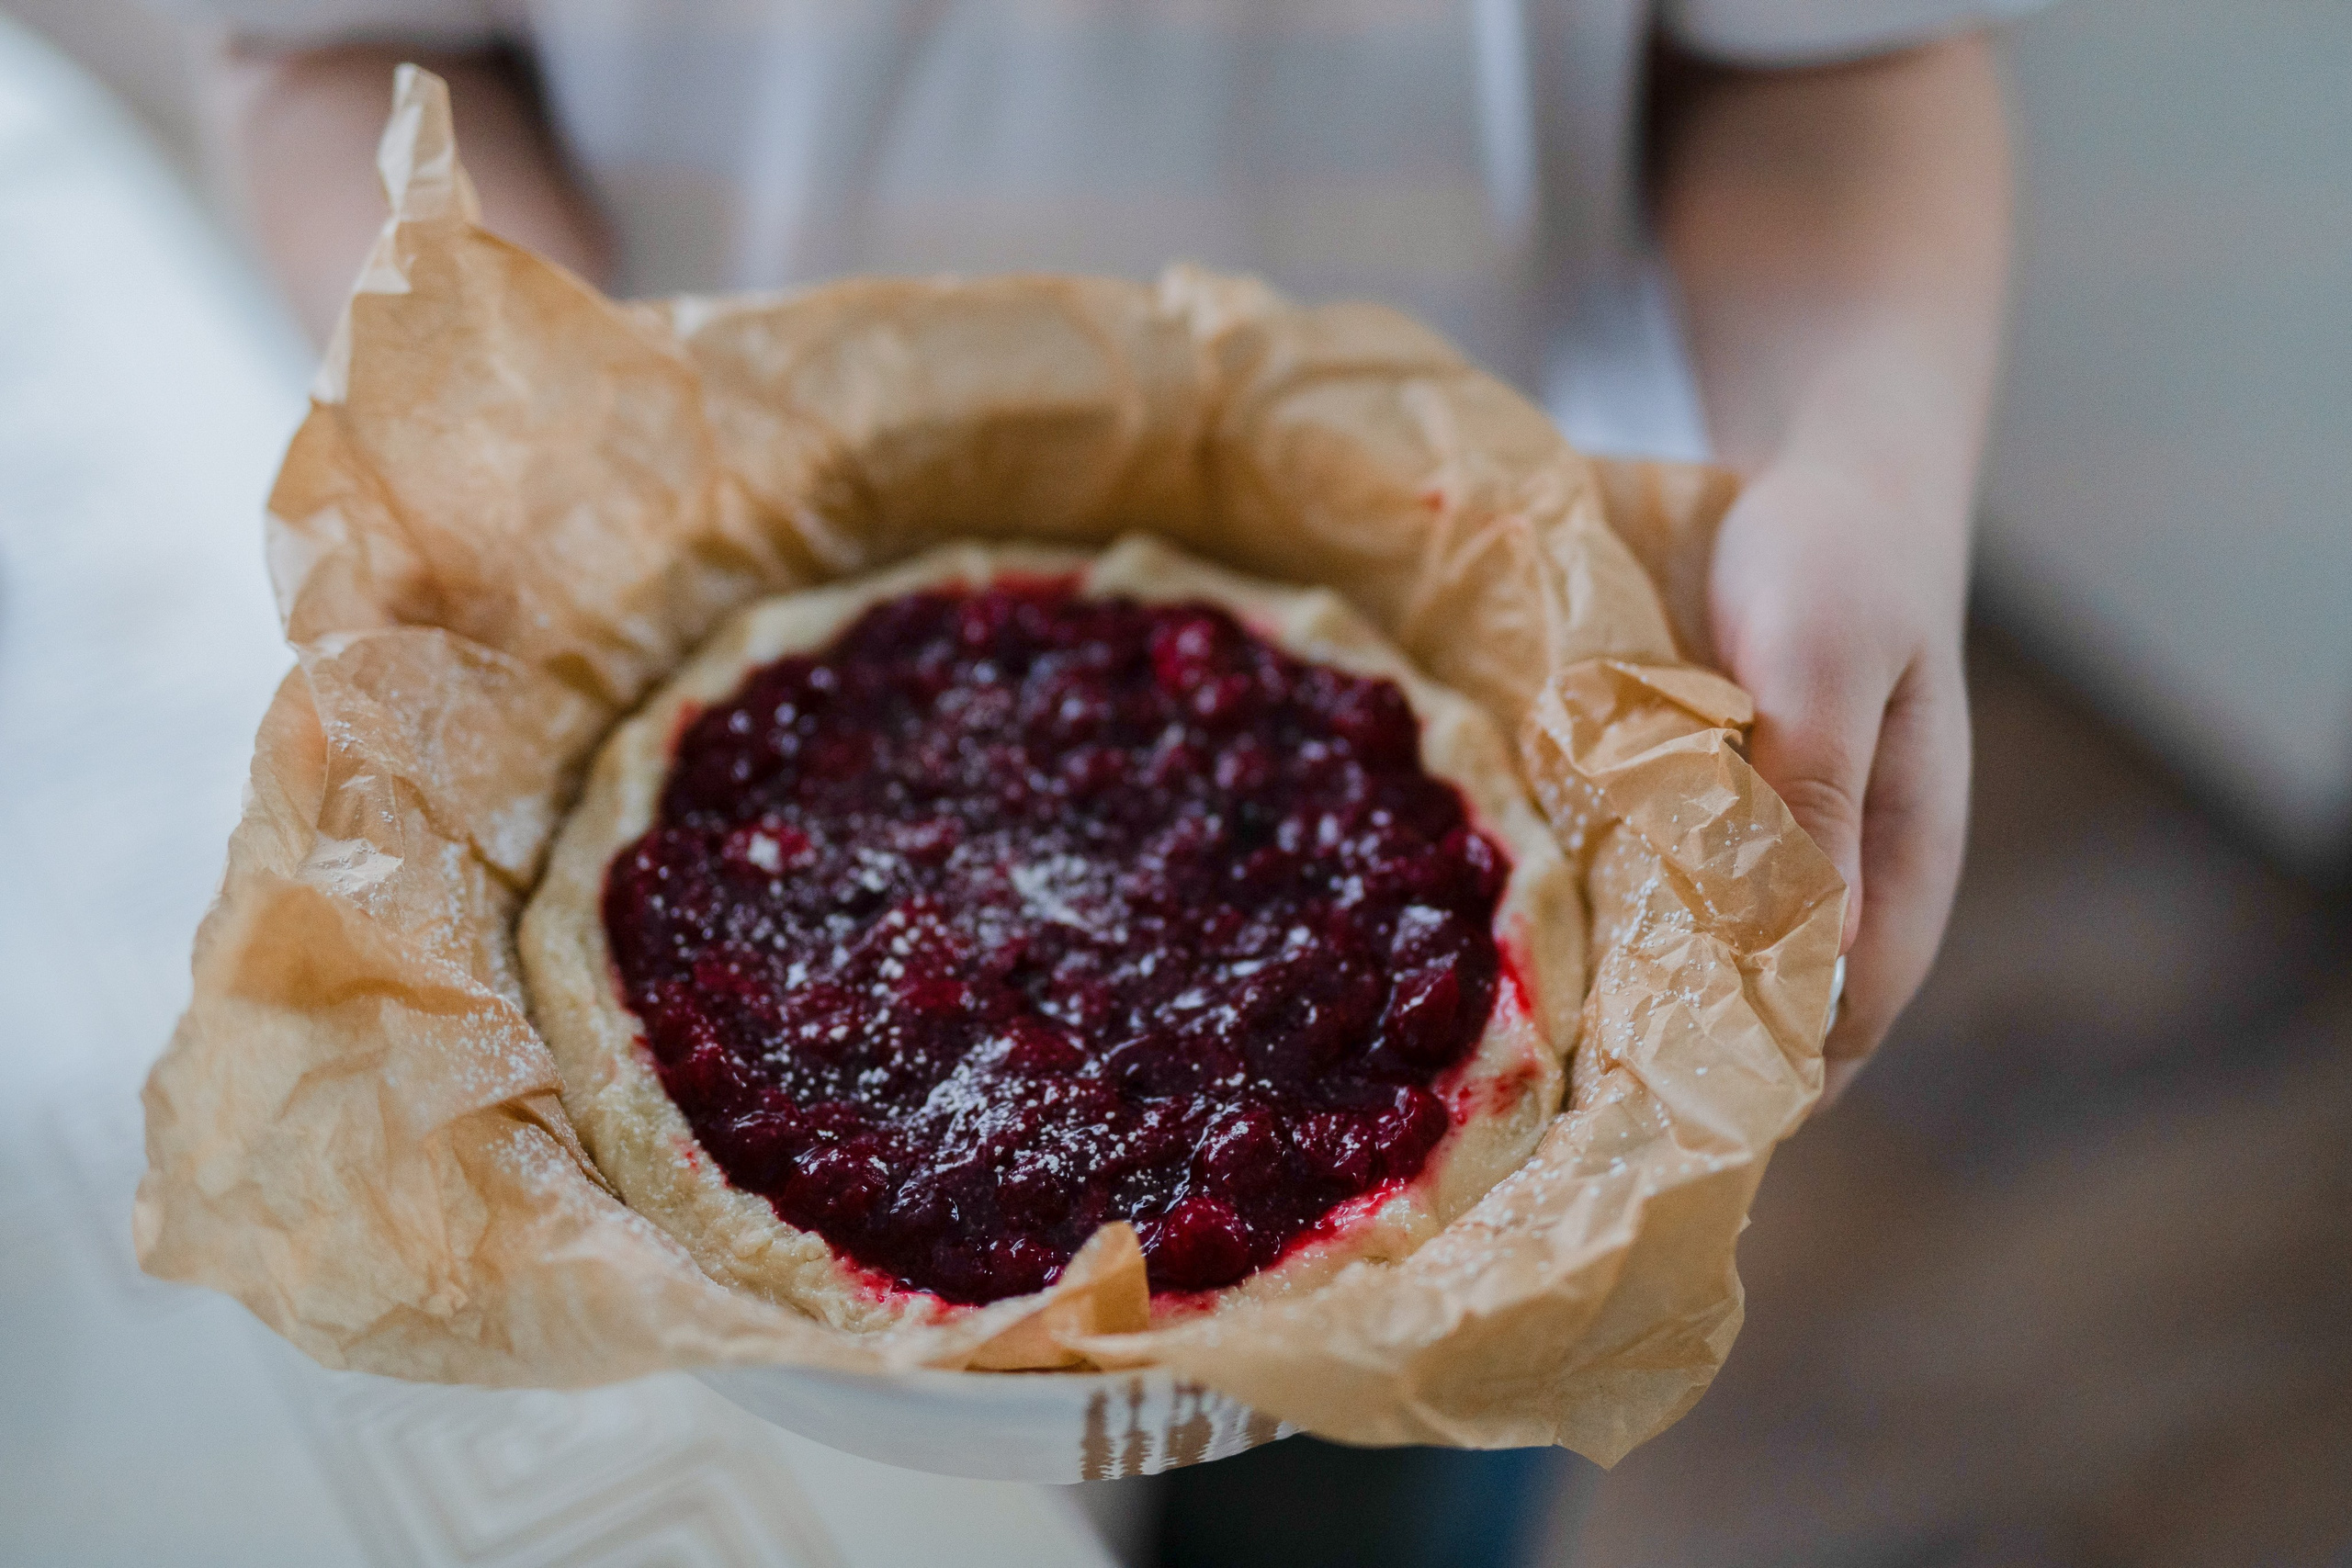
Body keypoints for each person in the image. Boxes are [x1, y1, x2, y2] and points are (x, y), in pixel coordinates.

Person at [173, 3, 2034, 1560]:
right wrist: (522, 458)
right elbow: (335, 45)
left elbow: (1831, 54)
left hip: (1522, 604)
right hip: (665, 570)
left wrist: (1855, 462)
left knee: (1377, 1514)